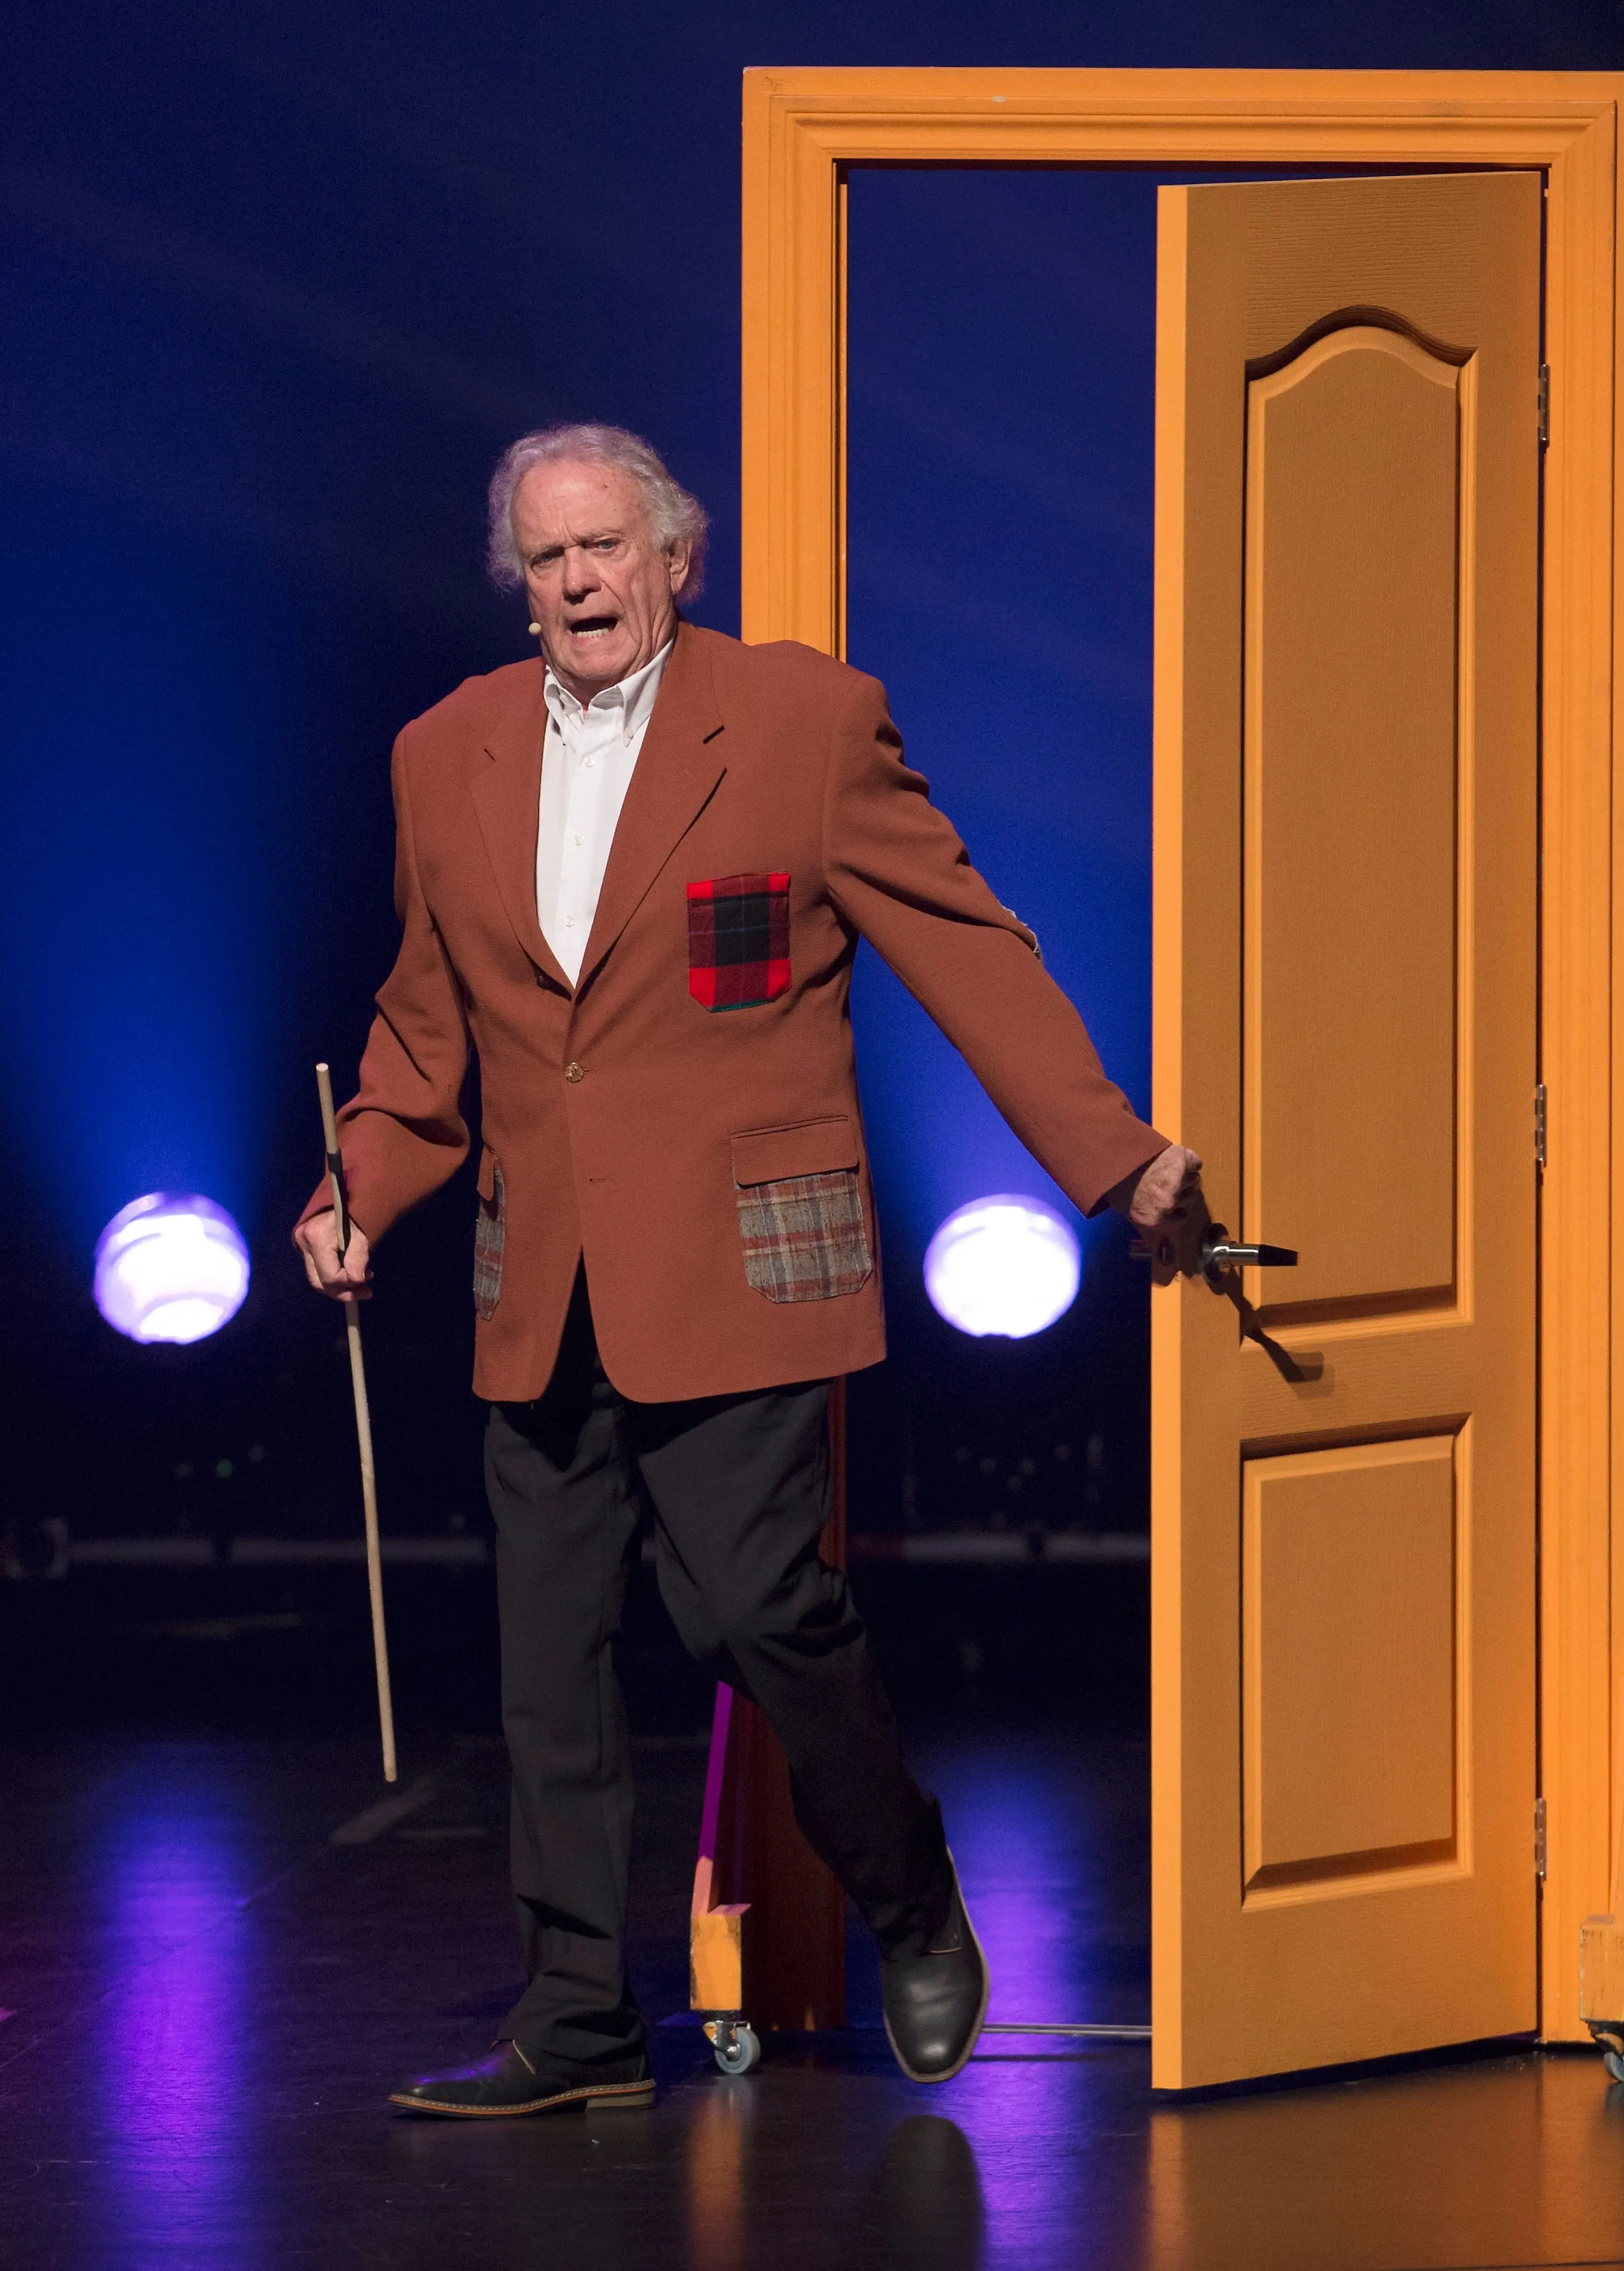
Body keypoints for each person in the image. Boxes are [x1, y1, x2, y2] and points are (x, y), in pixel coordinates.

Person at [295, 423, 1200, 2117]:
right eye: (548, 557)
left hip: (741, 1252)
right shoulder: (447, 752)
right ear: (520, 582)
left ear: (673, 559)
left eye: (607, 549)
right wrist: (361, 1189)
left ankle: (912, 1894)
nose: (579, 581)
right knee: (548, 1660)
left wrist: (1110, 1153)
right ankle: (574, 2023)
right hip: (540, 1269)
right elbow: (429, 1028)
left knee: (753, 1610)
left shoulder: (798, 721)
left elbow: (967, 949)